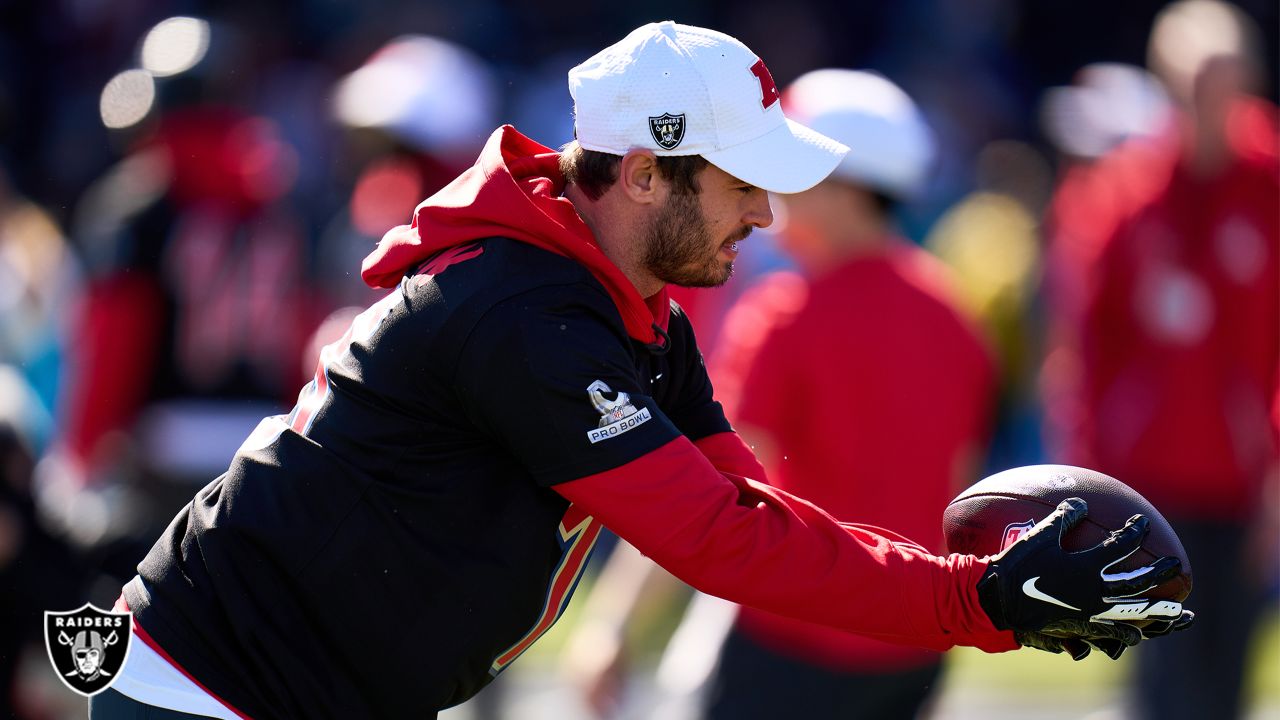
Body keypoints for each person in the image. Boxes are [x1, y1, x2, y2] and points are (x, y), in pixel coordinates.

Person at [91, 22, 1190, 720]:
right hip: (209, 690)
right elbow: (715, 541)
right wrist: (973, 599)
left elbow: (744, 505)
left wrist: (973, 597)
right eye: (737, 182)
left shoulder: (635, 310)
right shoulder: (521, 312)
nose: (764, 213)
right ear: (637, 172)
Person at [563, 69, 997, 720]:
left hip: (789, 641)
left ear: (842, 188)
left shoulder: (787, 316)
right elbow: (958, 495)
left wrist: (614, 625)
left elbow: (700, 489)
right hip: (913, 644)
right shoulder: (956, 316)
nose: (764, 198)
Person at [1042, 3, 1276, 719]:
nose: (1207, 107)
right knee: (1162, 681)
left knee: (1230, 674)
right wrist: (1083, 486)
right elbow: (1083, 348)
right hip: (1149, 485)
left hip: (1248, 483)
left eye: (1222, 86)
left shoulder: (1269, 185)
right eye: (1191, 87)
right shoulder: (1121, 195)